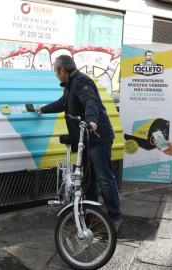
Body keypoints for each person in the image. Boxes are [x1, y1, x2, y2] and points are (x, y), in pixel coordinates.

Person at [36, 55, 123, 231]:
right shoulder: (69, 86)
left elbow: (91, 102)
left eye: (56, 71)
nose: (56, 75)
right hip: (85, 141)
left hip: (97, 138)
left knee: (105, 179)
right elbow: (63, 103)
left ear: (62, 70)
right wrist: (42, 110)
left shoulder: (82, 82)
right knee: (88, 179)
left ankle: (115, 217)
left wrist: (92, 121)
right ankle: (92, 215)